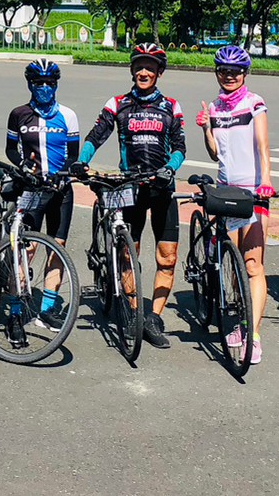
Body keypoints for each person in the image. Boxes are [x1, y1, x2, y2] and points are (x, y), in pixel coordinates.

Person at [73, 42, 186, 350]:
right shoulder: (118, 103)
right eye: (139, 67)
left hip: (161, 188)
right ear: (132, 70)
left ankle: (154, 318)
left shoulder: (171, 106)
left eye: (150, 67)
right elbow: (96, 135)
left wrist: (170, 168)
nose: (144, 72)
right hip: (130, 187)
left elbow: (179, 146)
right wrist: (82, 161)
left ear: (159, 72)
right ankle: (135, 313)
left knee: (167, 258)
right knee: (128, 256)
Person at [194, 45, 276, 363]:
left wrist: (266, 181)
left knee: (253, 265)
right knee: (233, 261)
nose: (229, 76)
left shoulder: (254, 102)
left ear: (245, 73)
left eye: (235, 71)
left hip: (254, 191)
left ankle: (253, 335)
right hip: (226, 191)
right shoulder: (215, 107)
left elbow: (263, 145)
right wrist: (207, 128)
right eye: (224, 71)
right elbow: (215, 154)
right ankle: (240, 321)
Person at [5, 57, 79, 328]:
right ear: (30, 84)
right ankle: (15, 311)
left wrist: (65, 173)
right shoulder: (18, 114)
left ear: (56, 84)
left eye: (49, 83)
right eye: (39, 83)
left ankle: (47, 309)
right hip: (32, 189)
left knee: (57, 249)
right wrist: (23, 164)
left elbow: (73, 155)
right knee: (26, 250)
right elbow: (11, 149)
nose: (45, 88)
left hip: (60, 190)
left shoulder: (68, 115)